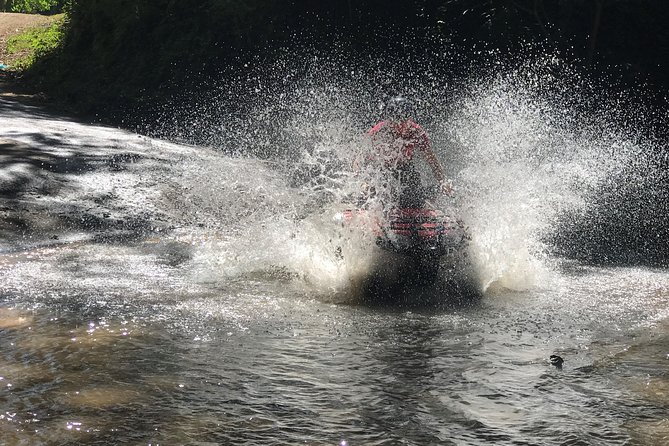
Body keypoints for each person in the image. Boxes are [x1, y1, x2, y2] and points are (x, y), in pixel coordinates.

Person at [353, 96, 452, 208]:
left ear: (409, 118)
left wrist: (443, 181)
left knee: (415, 199)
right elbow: (359, 159)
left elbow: (431, 160)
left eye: (403, 120)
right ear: (389, 119)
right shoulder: (378, 132)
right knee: (373, 195)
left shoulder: (417, 133)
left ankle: (425, 198)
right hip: (379, 169)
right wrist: (363, 181)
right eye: (395, 120)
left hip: (405, 167)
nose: (399, 125)